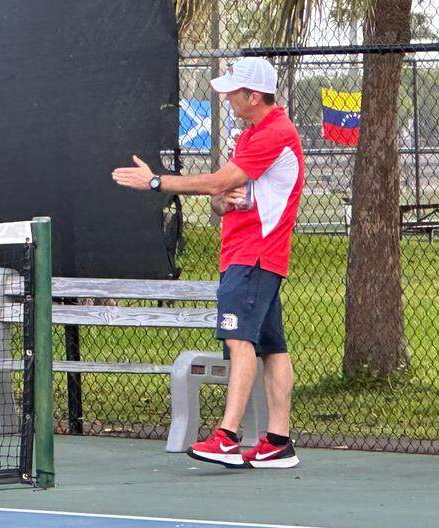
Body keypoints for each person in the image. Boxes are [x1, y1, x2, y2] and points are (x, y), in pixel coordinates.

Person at [111, 57, 305, 469]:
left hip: (255, 255)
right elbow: (224, 197)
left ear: (253, 96)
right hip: (245, 253)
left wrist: (156, 181)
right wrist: (220, 202)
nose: (228, 97)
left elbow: (218, 180)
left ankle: (227, 436)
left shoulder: (275, 133)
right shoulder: (252, 136)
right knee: (272, 346)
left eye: (234, 91)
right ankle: (278, 442)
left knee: (239, 343)